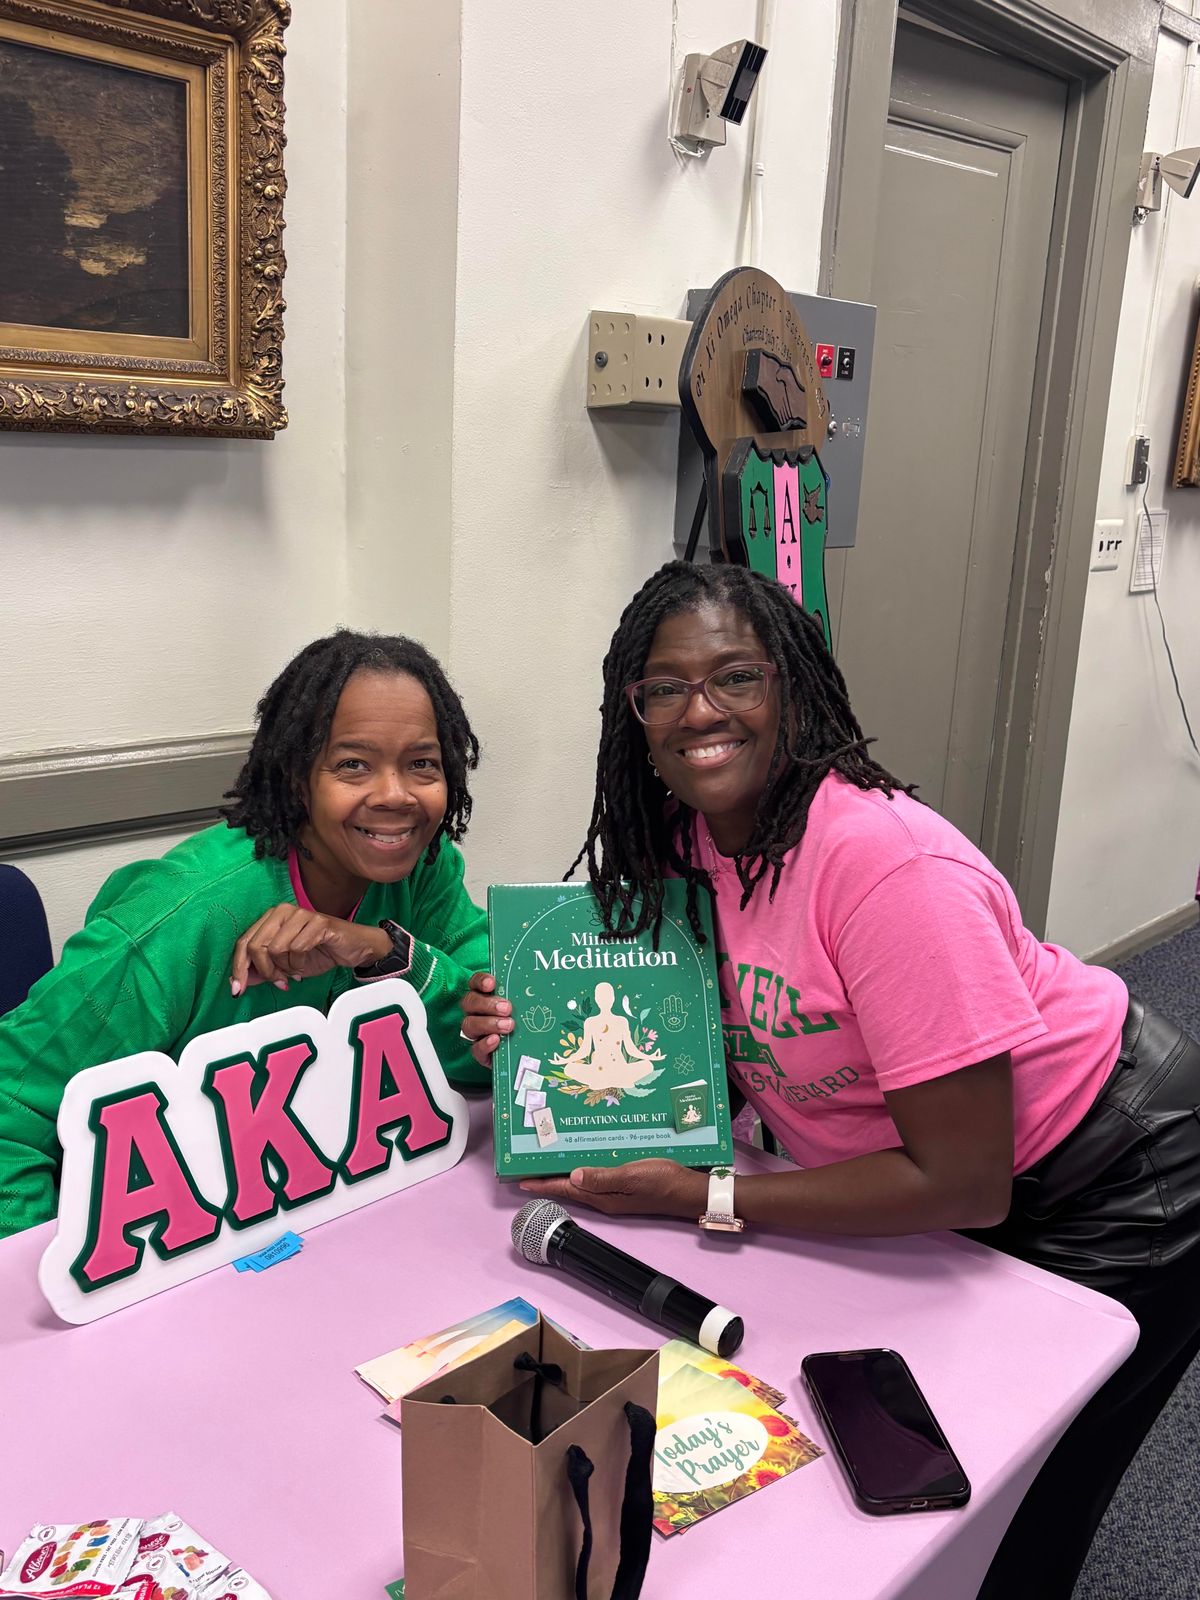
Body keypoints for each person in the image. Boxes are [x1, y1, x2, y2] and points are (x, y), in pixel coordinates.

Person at [462, 560, 1200, 1599]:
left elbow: (963, 1181)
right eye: (664, 688)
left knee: (1022, 1487)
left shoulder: (889, 870)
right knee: (904, 1455)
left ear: (792, 689)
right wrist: (533, 1035)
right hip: (938, 1167)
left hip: (1120, 1172)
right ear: (634, 714)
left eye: (735, 677)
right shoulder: (675, 847)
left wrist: (705, 1194)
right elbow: (702, 1051)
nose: (699, 711)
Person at [0, 629, 490, 1240]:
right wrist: (51, 1271)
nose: (395, 795)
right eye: (353, 764)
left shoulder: (424, 867)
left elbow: (493, 1045)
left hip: (321, 1212)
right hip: (166, 1245)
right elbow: (10, 1102)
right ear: (297, 778)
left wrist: (385, 951)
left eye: (422, 764)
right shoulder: (182, 916)